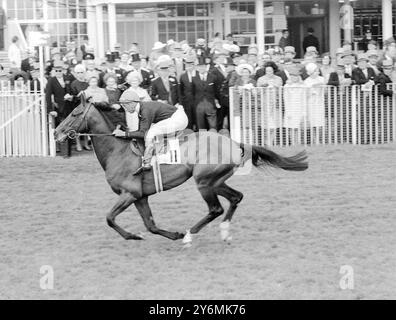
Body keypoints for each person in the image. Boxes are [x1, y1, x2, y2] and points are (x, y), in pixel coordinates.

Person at [112, 90, 188, 174]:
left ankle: (147, 163)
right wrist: (126, 134)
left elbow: (142, 133)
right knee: (151, 131)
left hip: (178, 119)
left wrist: (124, 134)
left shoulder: (145, 110)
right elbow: (141, 131)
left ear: (132, 103)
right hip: (176, 117)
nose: (124, 108)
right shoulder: (142, 108)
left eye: (125, 105)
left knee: (151, 133)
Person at [45, 60, 74, 158]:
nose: (58, 72)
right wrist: (50, 110)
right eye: (56, 70)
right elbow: (48, 96)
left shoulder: (68, 78)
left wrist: (71, 96)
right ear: (53, 71)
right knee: (62, 129)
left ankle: (69, 152)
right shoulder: (51, 80)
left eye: (60, 70)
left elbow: (73, 91)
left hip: (69, 108)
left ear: (63, 70)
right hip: (58, 109)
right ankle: (64, 153)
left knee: (69, 128)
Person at [191, 56, 220, 131]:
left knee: (213, 124)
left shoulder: (213, 77)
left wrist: (216, 101)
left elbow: (216, 91)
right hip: (198, 104)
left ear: (206, 67)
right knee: (200, 124)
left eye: (203, 66)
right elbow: (192, 92)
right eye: (200, 67)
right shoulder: (194, 78)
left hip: (210, 103)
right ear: (197, 68)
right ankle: (202, 140)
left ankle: (213, 138)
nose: (201, 68)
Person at [70, 64, 90, 151]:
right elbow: (72, 96)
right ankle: (78, 144)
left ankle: (86, 144)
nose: (80, 74)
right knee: (77, 127)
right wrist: (78, 95)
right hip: (77, 106)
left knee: (86, 126)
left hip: (86, 106)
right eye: (78, 73)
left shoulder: (87, 83)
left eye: (82, 72)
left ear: (84, 73)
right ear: (75, 74)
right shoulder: (73, 84)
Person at [304, 62, 325, 143]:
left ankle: (321, 140)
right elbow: (305, 93)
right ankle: (314, 140)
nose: (318, 72)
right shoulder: (306, 81)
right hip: (311, 104)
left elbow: (326, 89)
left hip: (320, 103)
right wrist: (312, 89)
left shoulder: (322, 79)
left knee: (320, 123)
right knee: (312, 123)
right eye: (316, 70)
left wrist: (319, 85)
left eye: (318, 70)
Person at [179, 53, 197, 130]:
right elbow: (180, 90)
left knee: (197, 118)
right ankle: (189, 132)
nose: (189, 67)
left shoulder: (198, 74)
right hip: (187, 101)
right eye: (187, 65)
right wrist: (181, 102)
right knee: (188, 118)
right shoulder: (183, 76)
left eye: (191, 65)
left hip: (197, 101)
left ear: (194, 65)